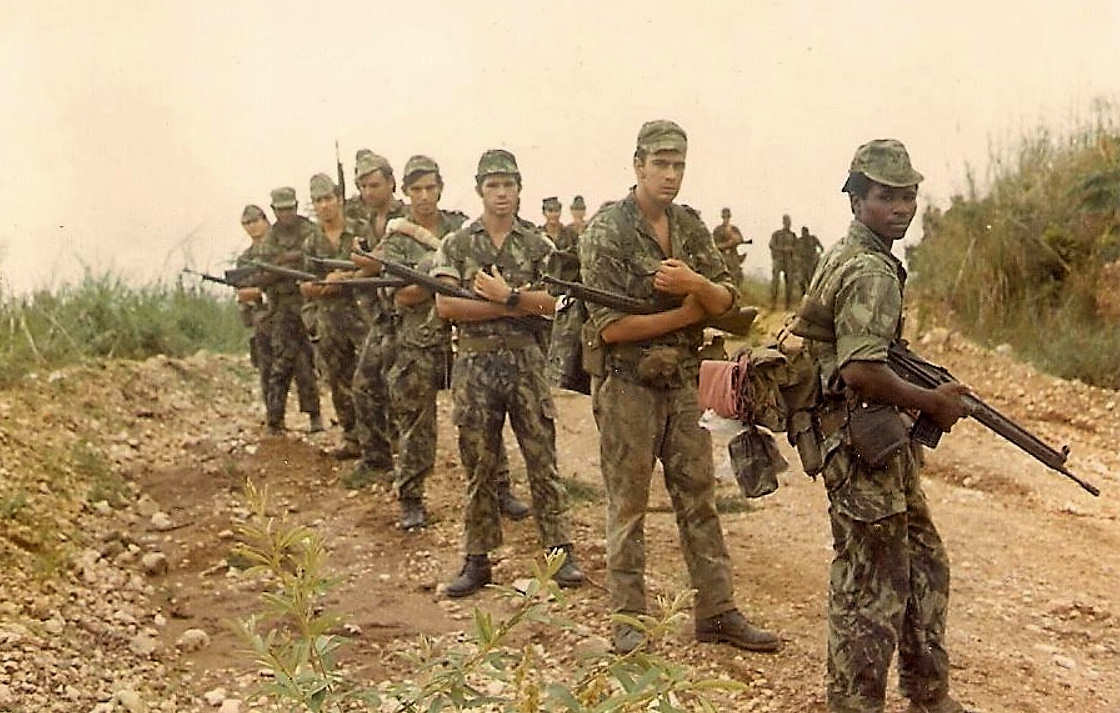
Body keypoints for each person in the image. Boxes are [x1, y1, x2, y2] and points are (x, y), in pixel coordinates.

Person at [578, 120, 780, 655]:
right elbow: (609, 328)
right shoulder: (606, 231)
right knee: (628, 506)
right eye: (661, 164)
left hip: (684, 383)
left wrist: (695, 285)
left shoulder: (688, 225)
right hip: (628, 385)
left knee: (699, 498)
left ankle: (716, 611)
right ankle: (629, 624)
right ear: (638, 164)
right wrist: (689, 312)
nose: (670, 175)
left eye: (679, 165)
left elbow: (728, 300)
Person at [794, 139, 973, 713]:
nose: (900, 208)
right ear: (856, 200)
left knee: (922, 560)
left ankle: (928, 693)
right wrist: (932, 402)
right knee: (871, 583)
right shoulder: (870, 269)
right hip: (857, 441)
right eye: (885, 196)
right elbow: (861, 370)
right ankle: (854, 704)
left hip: (871, 438)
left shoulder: (852, 253)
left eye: (908, 196)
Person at [431, 149, 584, 597]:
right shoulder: (458, 244)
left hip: (525, 362)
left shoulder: (539, 246)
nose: (501, 194)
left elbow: (558, 303)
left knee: (542, 459)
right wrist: (514, 303)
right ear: (480, 190)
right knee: (479, 465)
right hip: (475, 364)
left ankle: (559, 553)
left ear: (520, 190)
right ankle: (477, 559)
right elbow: (446, 305)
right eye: (493, 185)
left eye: (509, 185)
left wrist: (506, 296)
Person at [345, 153, 408, 487]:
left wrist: (364, 261)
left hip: (410, 315)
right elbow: (368, 264)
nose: (368, 192)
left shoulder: (405, 217)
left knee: (404, 392)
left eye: (374, 185)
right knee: (365, 384)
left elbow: (379, 262)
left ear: (391, 183)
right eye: (363, 186)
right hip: (383, 316)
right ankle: (376, 459)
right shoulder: (368, 221)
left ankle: (407, 465)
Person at [300, 173, 370, 459]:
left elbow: (377, 268)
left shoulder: (361, 230)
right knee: (339, 381)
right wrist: (325, 285)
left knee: (371, 378)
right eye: (318, 201)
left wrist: (347, 278)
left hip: (363, 316)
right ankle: (352, 437)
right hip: (329, 320)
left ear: (339, 199)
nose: (324, 205)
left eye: (328, 198)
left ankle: (382, 438)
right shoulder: (311, 243)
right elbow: (305, 285)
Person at [250, 187, 322, 434]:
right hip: (282, 307)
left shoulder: (310, 230)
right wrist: (279, 267)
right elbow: (260, 276)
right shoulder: (270, 239)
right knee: (281, 363)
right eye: (281, 210)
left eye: (290, 208)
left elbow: (317, 261)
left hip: (308, 303)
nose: (286, 214)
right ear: (274, 210)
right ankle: (275, 419)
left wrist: (291, 259)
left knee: (307, 363)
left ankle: (314, 415)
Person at [235, 205, 274, 413]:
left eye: (255, 221)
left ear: (265, 220)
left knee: (302, 366)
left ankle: (314, 415)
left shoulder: (279, 248)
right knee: (266, 368)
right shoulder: (245, 259)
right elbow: (241, 291)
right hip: (262, 316)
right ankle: (273, 415)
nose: (252, 227)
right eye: (247, 223)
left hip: (289, 312)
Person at [541, 196, 580, 282]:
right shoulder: (539, 235)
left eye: (557, 211)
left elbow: (579, 257)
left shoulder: (571, 234)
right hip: (546, 281)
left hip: (569, 281)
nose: (554, 214)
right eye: (550, 211)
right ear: (544, 213)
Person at [769, 214, 798, 309]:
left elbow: (797, 248)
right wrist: (782, 249)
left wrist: (791, 250)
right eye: (786, 222)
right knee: (775, 281)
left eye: (789, 222)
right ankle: (773, 303)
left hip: (789, 261)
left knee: (789, 282)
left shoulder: (793, 235)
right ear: (783, 222)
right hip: (779, 259)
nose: (788, 224)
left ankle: (788, 304)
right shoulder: (777, 234)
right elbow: (771, 245)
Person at [712, 207, 746, 284]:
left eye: (727, 217)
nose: (726, 219)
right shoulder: (718, 230)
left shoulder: (734, 229)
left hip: (733, 255)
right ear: (722, 217)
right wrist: (727, 244)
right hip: (722, 255)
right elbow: (715, 245)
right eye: (724, 217)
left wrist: (732, 236)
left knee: (737, 274)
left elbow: (740, 240)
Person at [796, 225, 823, 292]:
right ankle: (804, 293)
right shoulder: (799, 241)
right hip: (803, 262)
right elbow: (795, 252)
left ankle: (812, 292)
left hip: (812, 261)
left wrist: (817, 255)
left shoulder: (813, 239)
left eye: (805, 232)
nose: (804, 234)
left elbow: (821, 247)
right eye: (803, 233)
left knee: (811, 279)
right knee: (802, 280)